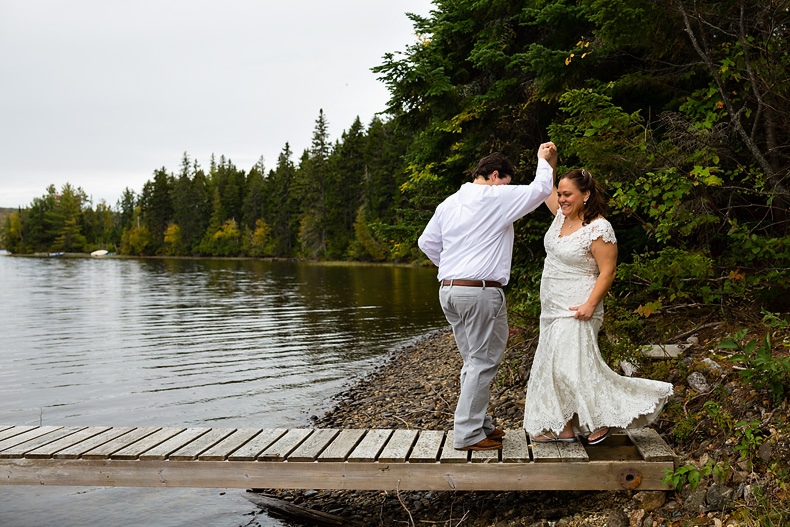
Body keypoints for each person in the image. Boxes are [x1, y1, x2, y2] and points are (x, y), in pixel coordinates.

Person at [418, 144, 556, 451]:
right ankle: (467, 433)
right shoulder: (495, 196)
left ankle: (479, 424)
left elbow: (426, 242)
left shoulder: (449, 203)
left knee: (476, 360)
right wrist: (543, 159)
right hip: (479, 292)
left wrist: (455, 268)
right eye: (505, 181)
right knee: (481, 362)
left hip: (451, 290)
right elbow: (542, 189)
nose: (507, 188)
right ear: (495, 176)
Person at [522, 166, 673, 444]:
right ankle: (564, 428)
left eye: (567, 194)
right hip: (552, 307)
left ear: (586, 195)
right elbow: (546, 189)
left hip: (580, 306)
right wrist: (548, 162)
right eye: (560, 194)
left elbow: (608, 271)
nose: (562, 198)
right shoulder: (561, 217)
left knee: (573, 367)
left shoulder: (599, 228)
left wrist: (591, 304)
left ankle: (600, 420)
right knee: (553, 366)